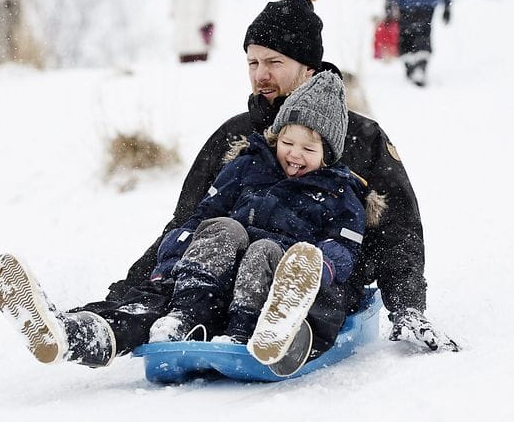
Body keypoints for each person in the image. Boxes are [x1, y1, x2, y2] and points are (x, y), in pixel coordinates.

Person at [0, 0, 450, 372]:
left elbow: (399, 231)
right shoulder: (237, 136)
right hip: (218, 267)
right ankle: (75, 333)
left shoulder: (361, 138)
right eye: (253, 62)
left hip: (307, 277)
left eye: (274, 63)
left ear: (307, 67)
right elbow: (188, 220)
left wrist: (407, 308)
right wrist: (137, 286)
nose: (261, 75)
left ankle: (279, 332)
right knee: (165, 293)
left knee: (291, 286)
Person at [146, 71, 382, 369]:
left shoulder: (338, 193)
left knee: (265, 250)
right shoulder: (248, 166)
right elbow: (200, 219)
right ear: (276, 136)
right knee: (223, 227)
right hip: (226, 272)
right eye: (287, 142)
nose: (295, 154)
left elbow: (344, 247)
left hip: (276, 274)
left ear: (327, 155)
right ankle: (185, 316)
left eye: (308, 149)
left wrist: (318, 265)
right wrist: (169, 263)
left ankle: (246, 331)